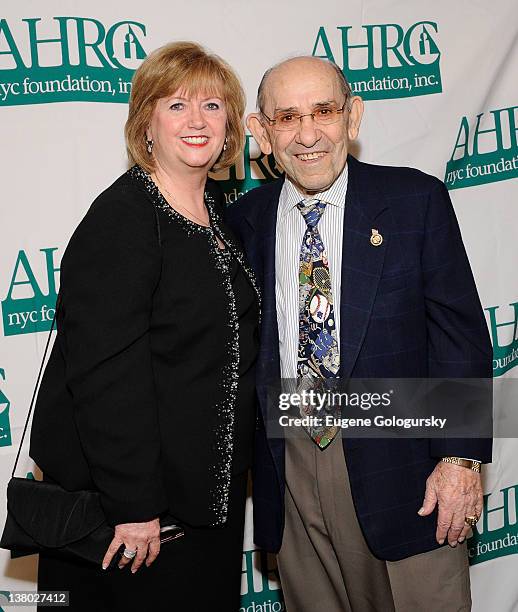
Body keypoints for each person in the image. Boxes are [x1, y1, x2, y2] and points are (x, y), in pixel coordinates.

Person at [225, 56, 492, 611]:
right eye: (287, 116)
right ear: (261, 131)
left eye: (324, 111)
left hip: (407, 468)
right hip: (290, 463)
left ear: (354, 117)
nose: (307, 134)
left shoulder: (414, 201)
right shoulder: (241, 222)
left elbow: (459, 337)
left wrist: (461, 460)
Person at [29, 41, 260, 611]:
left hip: (205, 507)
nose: (198, 120)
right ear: (146, 123)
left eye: (212, 105)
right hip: (138, 524)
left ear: (231, 124)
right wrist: (134, 507)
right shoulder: (124, 219)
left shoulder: (217, 220)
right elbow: (106, 377)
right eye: (177, 105)